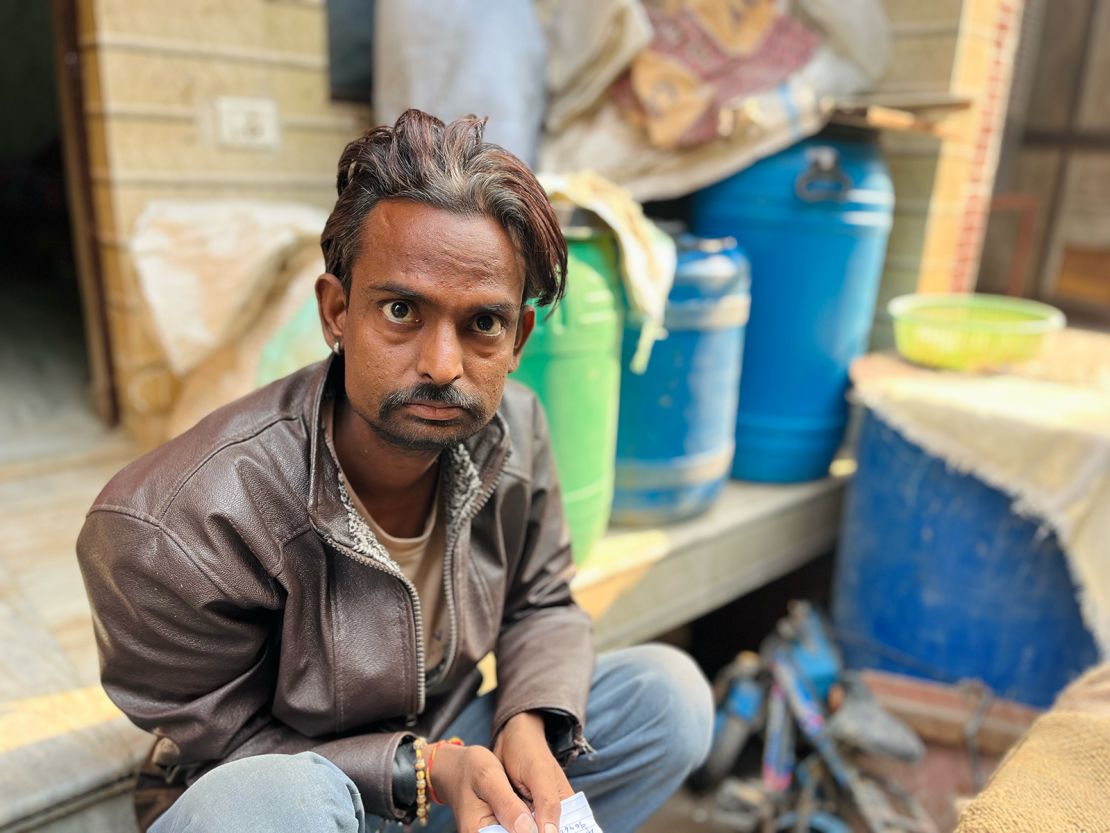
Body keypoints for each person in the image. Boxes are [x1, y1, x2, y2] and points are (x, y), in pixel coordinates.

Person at [77, 109, 713, 833]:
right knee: (287, 803)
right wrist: (420, 768)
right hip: (287, 792)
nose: (443, 366)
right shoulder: (170, 527)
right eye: (403, 310)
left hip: (453, 766)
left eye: (482, 323)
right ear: (337, 310)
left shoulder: (519, 428)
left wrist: (527, 724)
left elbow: (542, 602)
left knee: (670, 697)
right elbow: (221, 750)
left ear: (518, 338)